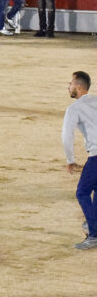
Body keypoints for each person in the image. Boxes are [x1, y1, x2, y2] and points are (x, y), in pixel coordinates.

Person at [63, 71, 97, 250]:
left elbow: (66, 137)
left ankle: (94, 234)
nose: (68, 86)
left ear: (78, 87)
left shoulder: (74, 108)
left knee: (82, 192)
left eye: (70, 84)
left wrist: (70, 159)